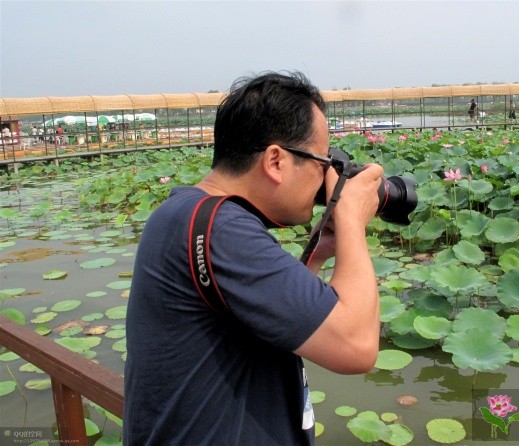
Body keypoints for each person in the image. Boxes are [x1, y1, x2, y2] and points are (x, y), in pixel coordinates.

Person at [123, 71, 384, 445]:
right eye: (320, 163)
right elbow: (356, 347)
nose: (324, 179)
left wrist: (317, 253)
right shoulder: (221, 229)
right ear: (276, 161)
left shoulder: (186, 210)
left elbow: (251, 315)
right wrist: (350, 220)